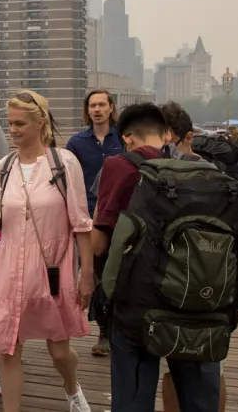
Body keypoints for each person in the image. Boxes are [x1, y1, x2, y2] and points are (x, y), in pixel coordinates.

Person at [0, 90, 94, 412]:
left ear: (40, 123)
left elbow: (81, 223)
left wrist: (87, 276)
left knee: (59, 351)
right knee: (8, 346)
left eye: (20, 123)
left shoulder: (63, 163)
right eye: (10, 124)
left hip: (52, 266)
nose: (13, 130)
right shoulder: (1, 168)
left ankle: (71, 386)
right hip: (9, 265)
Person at [94, 103, 222, 412]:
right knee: (198, 397)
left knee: (133, 397)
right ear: (165, 135)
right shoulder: (204, 172)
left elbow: (99, 244)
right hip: (196, 299)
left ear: (126, 137)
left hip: (136, 303)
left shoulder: (119, 166)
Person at [158, 102, 233, 412]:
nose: (165, 148)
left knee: (209, 362)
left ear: (187, 136)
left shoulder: (213, 176)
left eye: (169, 139)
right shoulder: (155, 173)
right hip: (173, 281)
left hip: (207, 281)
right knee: (174, 360)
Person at [64, 89, 123, 357]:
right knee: (97, 275)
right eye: (92, 105)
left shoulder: (124, 138)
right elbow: (67, 179)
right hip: (87, 216)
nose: (97, 110)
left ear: (111, 107)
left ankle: (122, 327)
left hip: (121, 216)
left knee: (120, 272)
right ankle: (104, 333)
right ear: (87, 111)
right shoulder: (76, 143)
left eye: (101, 105)